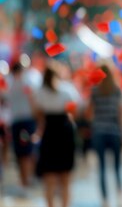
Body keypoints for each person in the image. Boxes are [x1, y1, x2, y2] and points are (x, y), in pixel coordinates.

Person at [34, 62, 79, 207]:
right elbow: (74, 111)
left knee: (49, 178)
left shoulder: (40, 92)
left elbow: (38, 114)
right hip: (64, 132)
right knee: (65, 178)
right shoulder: (68, 90)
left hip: (49, 133)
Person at [87, 64, 122, 207]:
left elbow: (89, 113)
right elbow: (121, 114)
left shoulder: (95, 91)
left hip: (99, 131)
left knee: (101, 167)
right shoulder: (117, 91)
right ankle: (120, 197)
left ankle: (105, 200)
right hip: (114, 131)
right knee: (117, 167)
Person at [6, 60, 40, 196]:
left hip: (16, 122)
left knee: (20, 153)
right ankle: (26, 180)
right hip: (26, 121)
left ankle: (24, 179)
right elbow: (32, 99)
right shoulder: (26, 83)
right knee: (26, 151)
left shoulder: (9, 84)